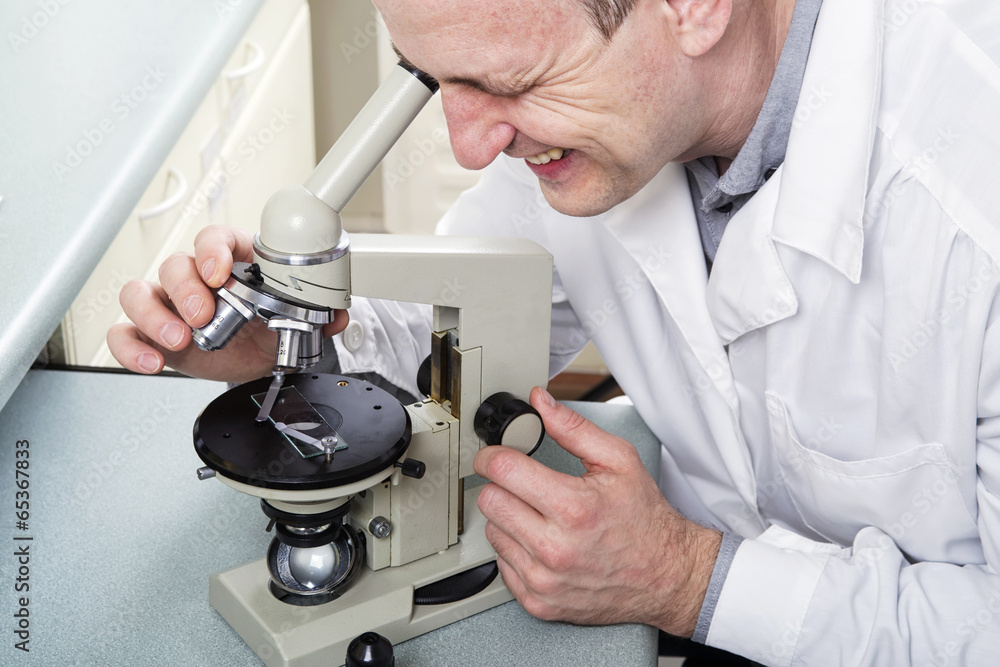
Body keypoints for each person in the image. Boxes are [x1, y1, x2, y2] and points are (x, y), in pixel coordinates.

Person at [109, 0, 1000, 664]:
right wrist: (280, 350)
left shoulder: (970, 194)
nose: (468, 146)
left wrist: (687, 578)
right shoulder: (604, 120)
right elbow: (450, 330)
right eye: (435, 79)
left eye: (508, 83)